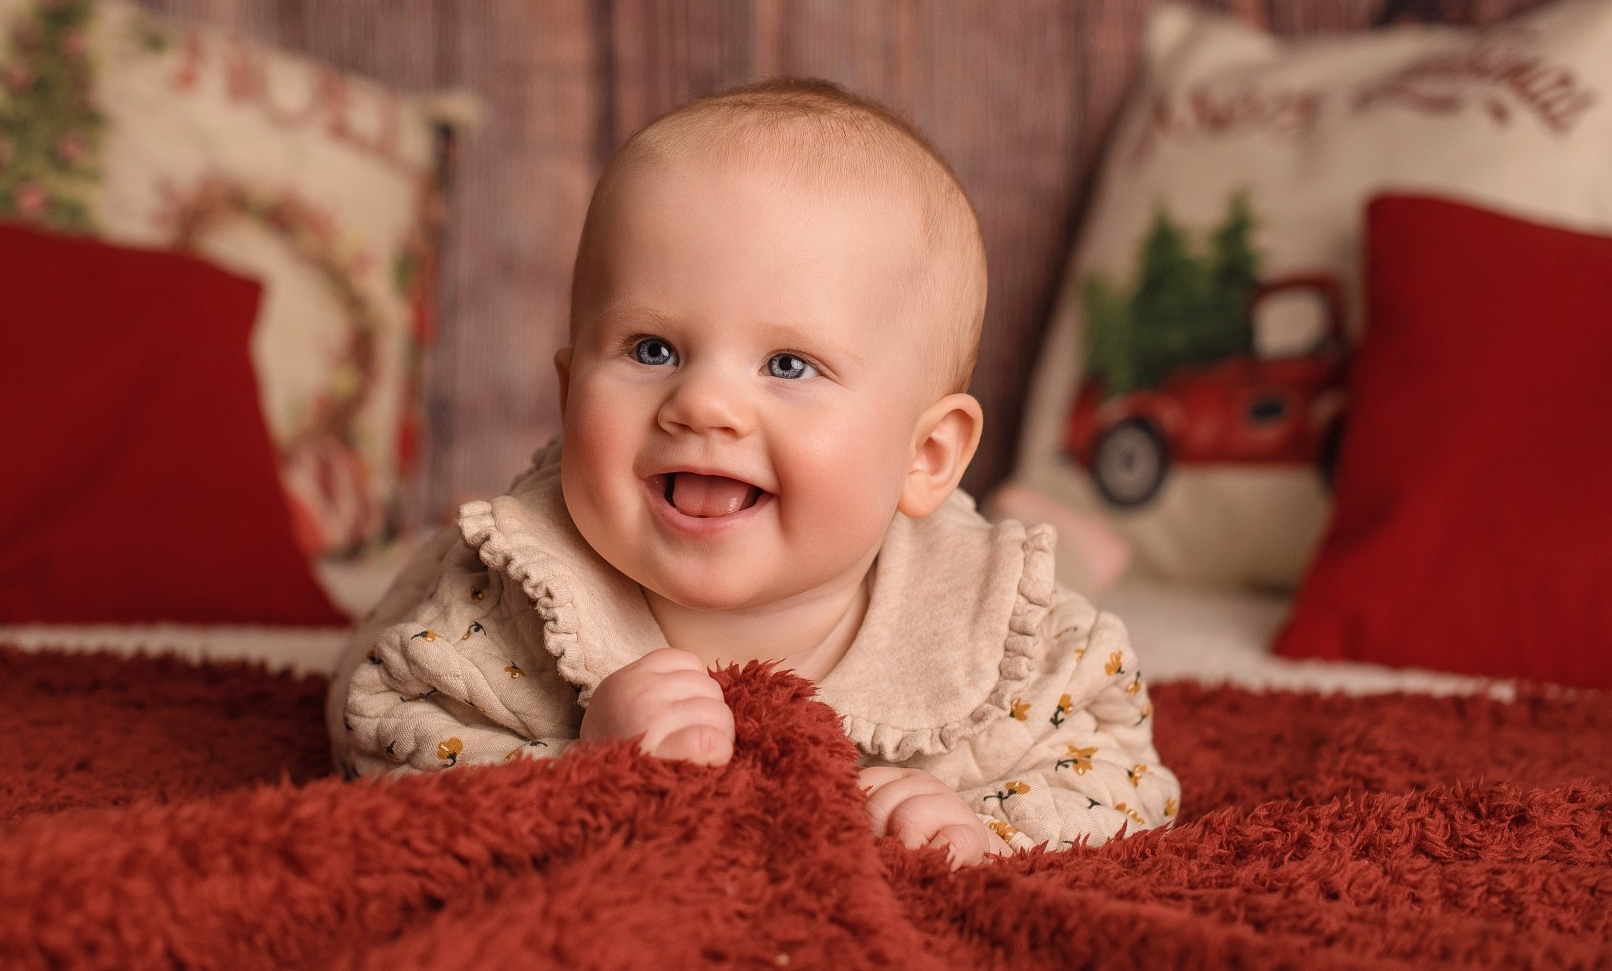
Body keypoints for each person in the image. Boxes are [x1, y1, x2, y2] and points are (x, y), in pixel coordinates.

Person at [326, 77, 1179, 866]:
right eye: (652, 349)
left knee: (1055, 575)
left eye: (788, 366)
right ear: (568, 390)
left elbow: (1122, 776)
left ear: (926, 457)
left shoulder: (988, 625)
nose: (703, 405)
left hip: (941, 550)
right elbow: (379, 729)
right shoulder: (510, 591)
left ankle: (1059, 532)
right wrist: (582, 765)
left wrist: (980, 828)